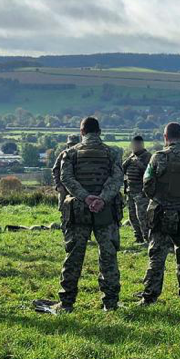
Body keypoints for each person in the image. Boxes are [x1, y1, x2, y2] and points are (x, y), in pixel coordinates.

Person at [54, 117, 123, 313]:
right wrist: (101, 199)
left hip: (78, 211)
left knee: (74, 256)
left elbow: (66, 178)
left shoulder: (70, 153)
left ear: (82, 132)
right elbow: (117, 178)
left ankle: (67, 303)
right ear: (99, 132)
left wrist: (86, 198)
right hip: (106, 210)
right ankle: (110, 303)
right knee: (108, 256)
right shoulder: (113, 152)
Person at [138, 123, 180, 305]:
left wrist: (158, 197)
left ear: (165, 137)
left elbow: (147, 184)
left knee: (157, 257)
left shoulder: (158, 157)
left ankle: (150, 297)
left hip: (162, 214)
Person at [122, 135, 152, 244]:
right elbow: (122, 169)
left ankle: (147, 238)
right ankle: (138, 237)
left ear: (141, 145)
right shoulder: (131, 157)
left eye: (136, 145)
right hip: (130, 191)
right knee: (132, 216)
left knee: (142, 216)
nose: (134, 147)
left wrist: (140, 165)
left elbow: (150, 173)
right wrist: (128, 160)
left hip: (141, 192)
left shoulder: (148, 156)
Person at [52, 134, 79, 210]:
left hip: (78, 186)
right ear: (68, 144)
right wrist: (58, 185)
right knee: (62, 207)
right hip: (64, 186)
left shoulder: (81, 154)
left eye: (75, 144)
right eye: (71, 144)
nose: (73, 146)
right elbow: (55, 170)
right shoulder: (63, 154)